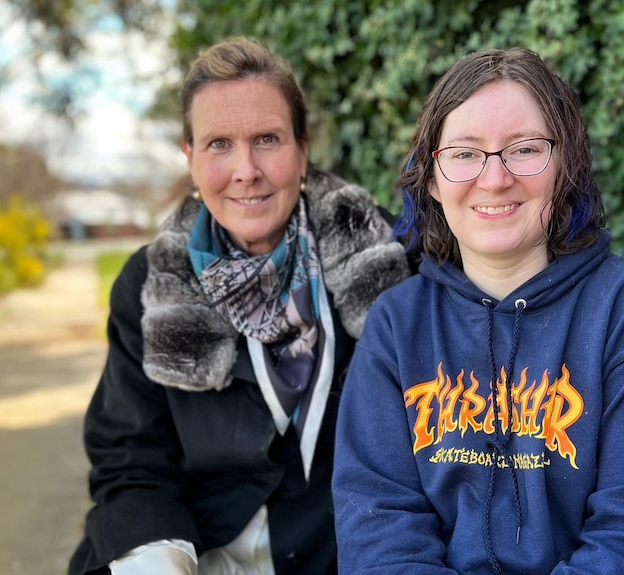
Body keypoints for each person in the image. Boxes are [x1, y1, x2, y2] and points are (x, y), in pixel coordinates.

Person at [332, 47, 624, 574]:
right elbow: (378, 529)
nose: (495, 177)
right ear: (432, 179)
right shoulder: (397, 324)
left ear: (564, 164)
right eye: (463, 153)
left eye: (525, 149)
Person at [68, 37, 411, 575]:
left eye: (267, 139)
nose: (245, 169)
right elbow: (131, 462)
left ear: (303, 147)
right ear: (191, 157)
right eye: (219, 144)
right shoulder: (149, 283)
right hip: (201, 554)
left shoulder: (382, 258)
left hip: (345, 554)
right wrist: (159, 562)